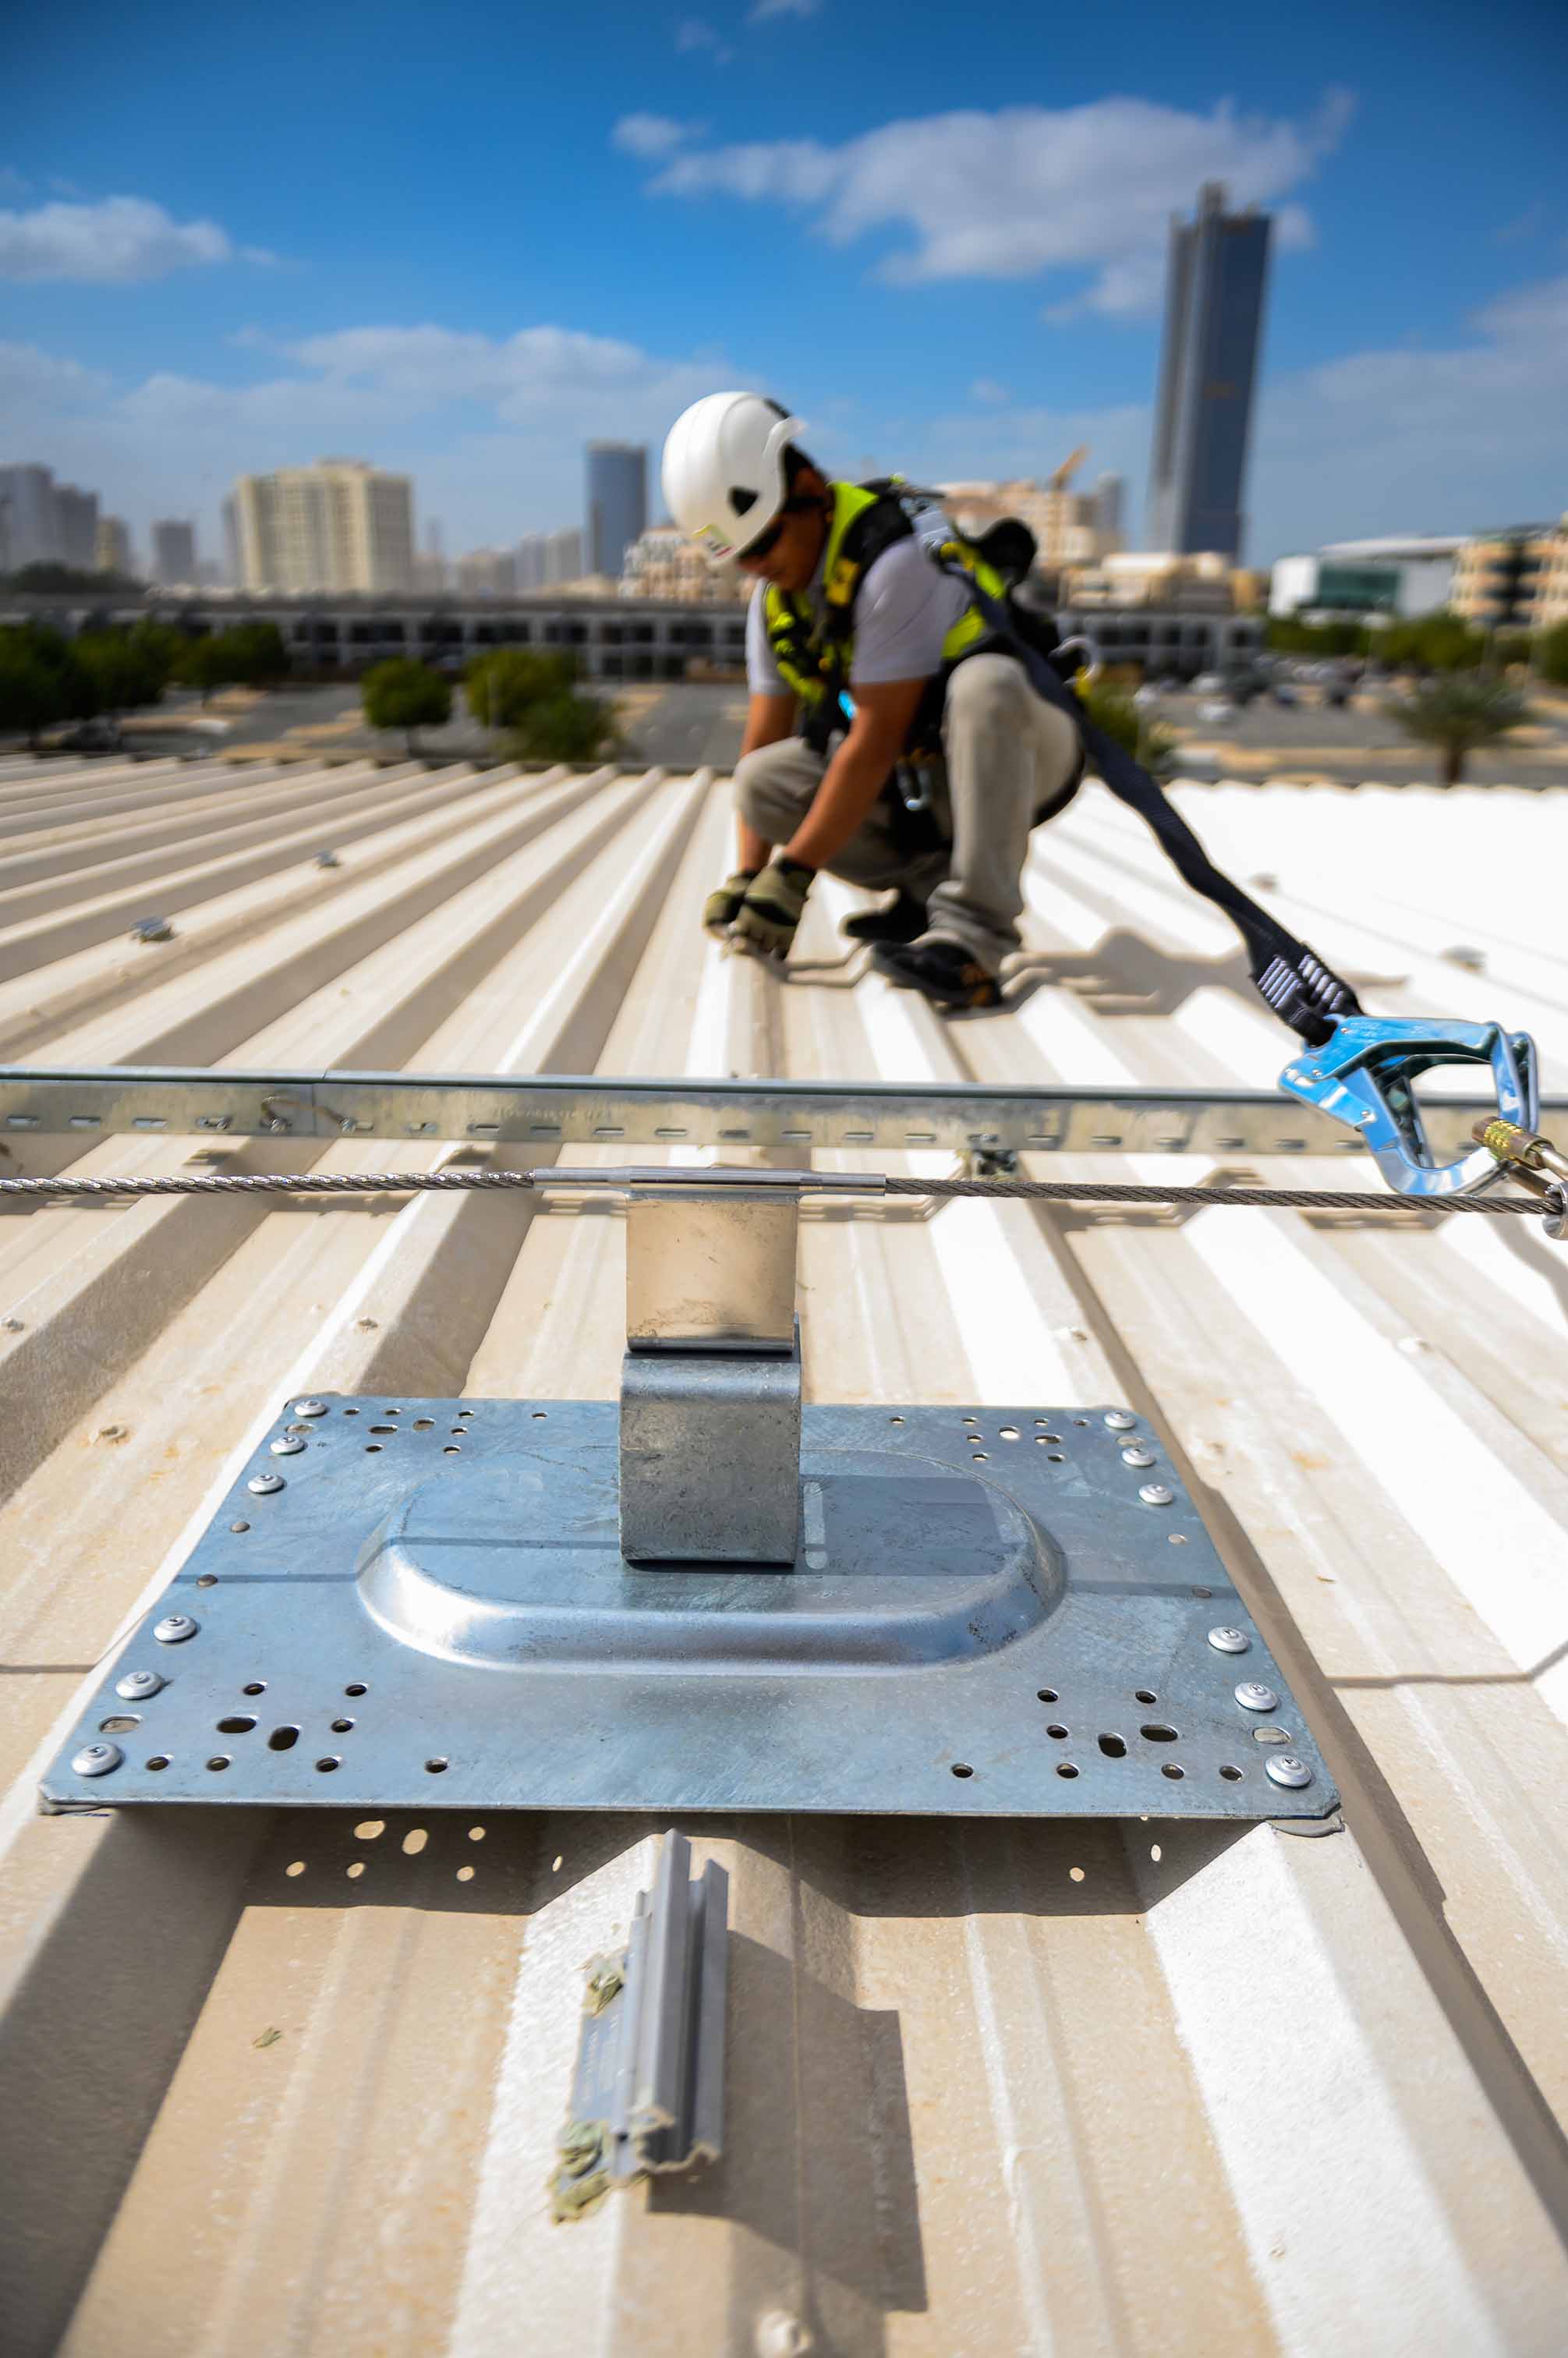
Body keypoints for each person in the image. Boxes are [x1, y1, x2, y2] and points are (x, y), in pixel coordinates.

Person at [660, 390, 1085, 1011]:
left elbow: (875, 737)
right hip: (923, 776)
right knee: (761, 781)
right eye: (741, 558)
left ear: (807, 488)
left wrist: (794, 875)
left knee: (982, 684)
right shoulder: (775, 600)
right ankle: (925, 894)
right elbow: (765, 737)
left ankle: (973, 939)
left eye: (765, 542)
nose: (757, 567)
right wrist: (751, 878)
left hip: (1026, 750)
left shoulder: (892, 561)